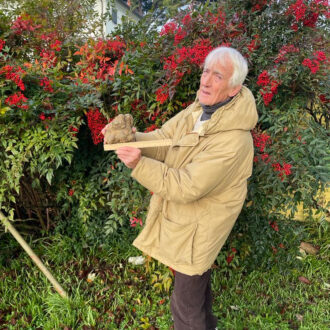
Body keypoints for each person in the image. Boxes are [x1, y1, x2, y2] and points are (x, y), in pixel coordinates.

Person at [103, 46, 258, 330]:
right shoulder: (200, 110)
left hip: (201, 226)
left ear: (234, 89)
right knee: (196, 298)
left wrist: (138, 163)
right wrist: (130, 138)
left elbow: (187, 186)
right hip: (187, 222)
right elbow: (164, 139)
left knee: (185, 308)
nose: (206, 80)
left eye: (217, 76)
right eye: (205, 71)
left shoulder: (234, 140)